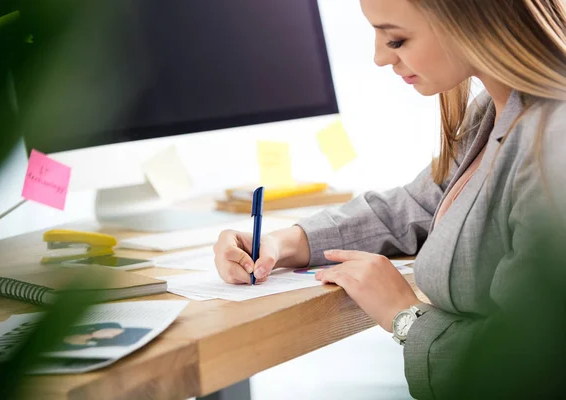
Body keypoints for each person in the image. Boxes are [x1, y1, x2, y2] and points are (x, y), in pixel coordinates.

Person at [212, 0, 566, 398]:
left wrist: (405, 315)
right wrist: (281, 243)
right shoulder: (496, 109)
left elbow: (528, 372)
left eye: (396, 39)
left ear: (472, 20)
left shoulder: (551, 149)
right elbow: (414, 206)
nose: (380, 57)